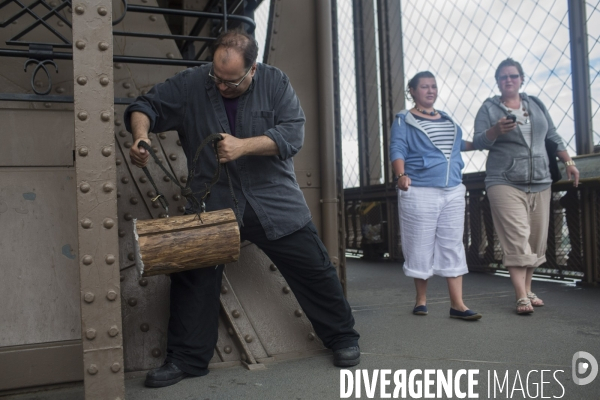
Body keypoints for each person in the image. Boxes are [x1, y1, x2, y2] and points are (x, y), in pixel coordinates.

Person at [125, 29, 360, 388]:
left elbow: (292, 134)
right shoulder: (192, 83)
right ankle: (186, 360)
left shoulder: (276, 82)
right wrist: (140, 136)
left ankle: (343, 338)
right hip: (212, 202)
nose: (220, 87)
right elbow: (146, 106)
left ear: (252, 69)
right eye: (216, 79)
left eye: (231, 83)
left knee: (314, 268)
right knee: (192, 280)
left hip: (273, 200)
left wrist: (243, 146)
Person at [473, 58, 579, 315]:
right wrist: (496, 130)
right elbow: (479, 141)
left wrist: (568, 162)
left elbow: (552, 135)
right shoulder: (489, 108)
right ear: (498, 82)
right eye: (503, 77)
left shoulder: (535, 104)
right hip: (504, 180)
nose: (508, 80)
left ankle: (528, 289)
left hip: (541, 180)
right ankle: (521, 296)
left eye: (513, 76)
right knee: (517, 239)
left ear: (521, 79)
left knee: (534, 240)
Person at [390, 71, 482, 321]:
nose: (430, 90)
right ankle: (421, 300)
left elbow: (460, 144)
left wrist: (490, 138)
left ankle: (458, 305)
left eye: (433, 86)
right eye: (424, 87)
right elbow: (397, 147)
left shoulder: (448, 120)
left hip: (452, 188)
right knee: (420, 245)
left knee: (453, 243)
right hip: (420, 189)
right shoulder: (404, 119)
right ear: (412, 90)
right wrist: (401, 175)